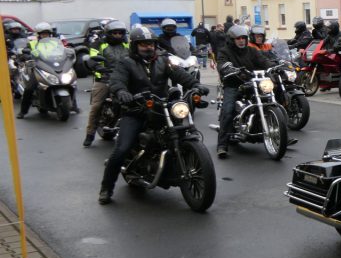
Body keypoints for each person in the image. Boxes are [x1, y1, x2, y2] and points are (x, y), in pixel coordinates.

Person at [99, 27, 208, 204]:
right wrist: (121, 92)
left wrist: (196, 84)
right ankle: (106, 188)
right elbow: (117, 81)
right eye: (143, 44)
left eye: (150, 44)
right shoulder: (126, 63)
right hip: (136, 110)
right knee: (122, 149)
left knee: (183, 130)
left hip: (161, 108)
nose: (147, 47)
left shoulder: (164, 61)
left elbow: (180, 75)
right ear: (135, 46)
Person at [215, 24, 275, 159]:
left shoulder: (251, 51)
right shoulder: (225, 51)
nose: (241, 40)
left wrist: (273, 67)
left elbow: (263, 61)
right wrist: (227, 68)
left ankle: (280, 134)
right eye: (238, 38)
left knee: (272, 98)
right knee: (228, 109)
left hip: (253, 83)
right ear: (231, 40)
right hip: (233, 85)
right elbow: (221, 64)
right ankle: (222, 145)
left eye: (243, 38)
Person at [83, 20, 129, 147]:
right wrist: (97, 67)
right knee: (96, 106)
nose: (118, 35)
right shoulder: (98, 44)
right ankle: (90, 134)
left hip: (124, 78)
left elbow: (136, 56)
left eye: (120, 33)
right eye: (115, 33)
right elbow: (93, 58)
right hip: (104, 78)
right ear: (108, 33)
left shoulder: (127, 44)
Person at [17, 22, 57, 118]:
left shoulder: (55, 42)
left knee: (69, 81)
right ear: (38, 35)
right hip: (38, 68)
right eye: (43, 34)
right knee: (29, 88)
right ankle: (23, 112)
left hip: (53, 67)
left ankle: (73, 106)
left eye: (47, 34)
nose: (45, 35)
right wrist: (27, 55)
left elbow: (62, 50)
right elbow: (25, 53)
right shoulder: (33, 44)